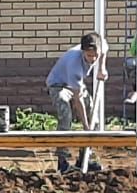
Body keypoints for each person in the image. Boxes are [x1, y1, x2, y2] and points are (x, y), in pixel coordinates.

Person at [46, 32, 109, 172]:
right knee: (66, 114)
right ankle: (62, 162)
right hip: (58, 85)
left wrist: (102, 67)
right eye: (89, 55)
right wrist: (86, 126)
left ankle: (83, 159)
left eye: (95, 55)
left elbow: (105, 47)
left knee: (94, 117)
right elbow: (77, 99)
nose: (93, 59)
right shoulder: (74, 64)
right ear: (82, 52)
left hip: (76, 85)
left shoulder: (101, 46)